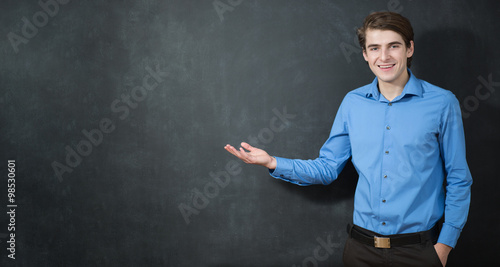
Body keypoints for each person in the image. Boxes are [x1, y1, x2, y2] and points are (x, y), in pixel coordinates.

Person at [224, 11, 472, 267]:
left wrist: (443, 247)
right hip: (360, 252)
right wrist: (272, 162)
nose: (384, 57)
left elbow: (458, 179)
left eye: (393, 46)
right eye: (374, 48)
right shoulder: (352, 103)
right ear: (365, 54)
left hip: (419, 252)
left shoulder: (442, 103)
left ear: (409, 49)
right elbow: (327, 168)